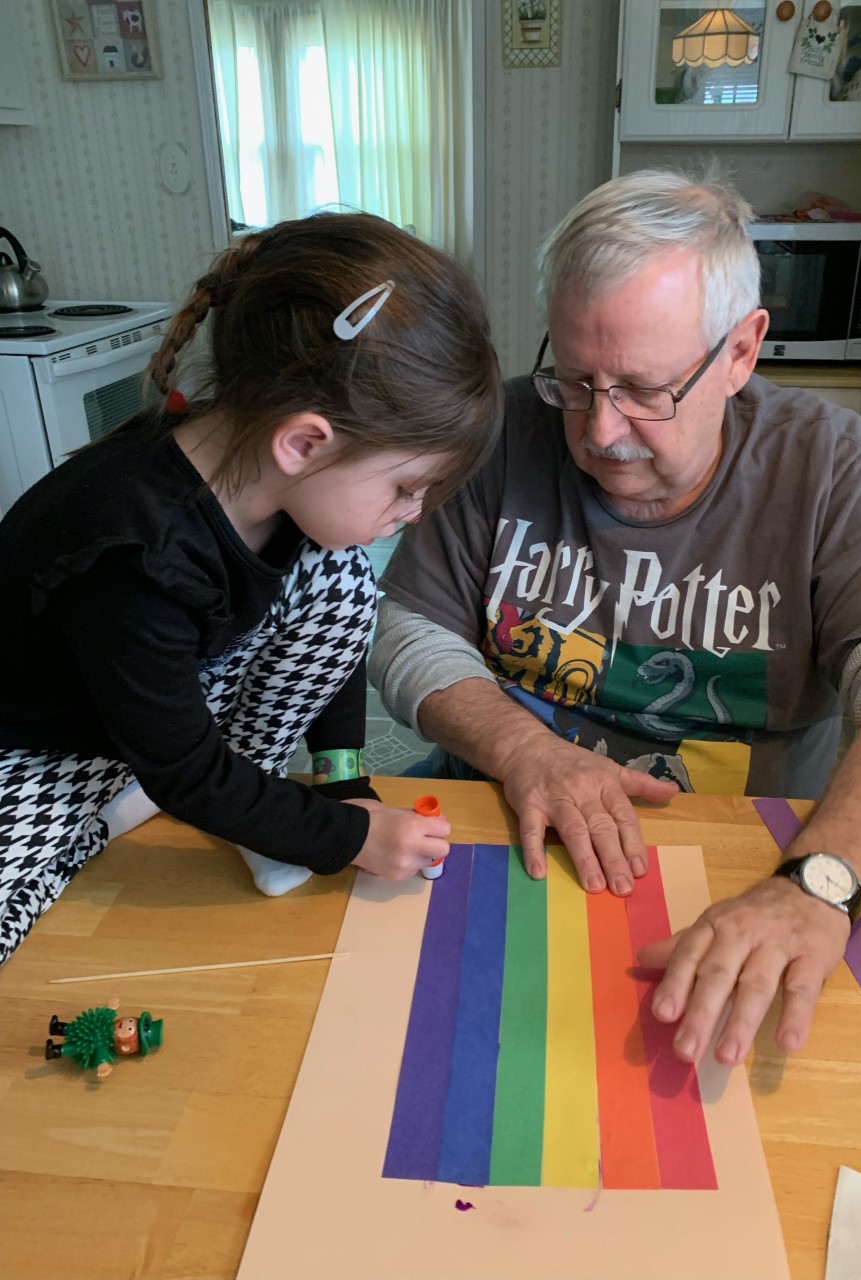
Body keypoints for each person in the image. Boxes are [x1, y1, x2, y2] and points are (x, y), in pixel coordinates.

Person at [370, 170, 861, 1069]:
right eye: (576, 379)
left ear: (740, 351)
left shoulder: (834, 467)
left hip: (743, 864)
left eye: (645, 390)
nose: (601, 431)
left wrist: (818, 885)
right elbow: (407, 628)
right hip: (497, 815)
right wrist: (524, 747)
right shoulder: (503, 433)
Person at [0, 211, 503, 964]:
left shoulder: (285, 488)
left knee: (341, 574)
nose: (413, 514)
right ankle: (160, 805)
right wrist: (349, 839)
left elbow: (335, 643)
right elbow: (184, 769)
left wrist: (342, 789)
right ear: (304, 442)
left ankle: (238, 801)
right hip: (38, 744)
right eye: (406, 487)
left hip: (155, 711)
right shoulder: (135, 552)